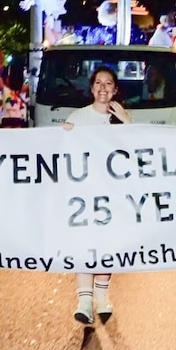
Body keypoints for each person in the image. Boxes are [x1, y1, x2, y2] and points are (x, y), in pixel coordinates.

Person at [62, 66, 132, 324]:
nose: (103, 88)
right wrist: (64, 135)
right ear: (91, 88)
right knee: (84, 245)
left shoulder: (122, 118)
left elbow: (137, 150)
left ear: (115, 89)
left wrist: (126, 122)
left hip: (111, 195)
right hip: (83, 194)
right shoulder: (78, 117)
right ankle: (84, 302)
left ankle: (102, 299)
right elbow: (62, 151)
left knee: (106, 246)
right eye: (98, 83)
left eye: (108, 83)